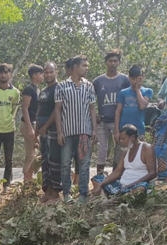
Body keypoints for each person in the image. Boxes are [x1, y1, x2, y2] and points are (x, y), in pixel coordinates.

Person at [54, 55, 98, 202]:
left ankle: (83, 195)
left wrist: (94, 129)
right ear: (75, 67)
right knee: (66, 164)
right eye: (84, 65)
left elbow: (92, 109)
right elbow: (58, 110)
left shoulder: (89, 86)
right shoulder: (61, 86)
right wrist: (59, 132)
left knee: (84, 165)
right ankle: (66, 194)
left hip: (84, 132)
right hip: (67, 132)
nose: (86, 68)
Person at [92, 50, 131, 175]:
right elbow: (90, 101)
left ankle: (118, 176)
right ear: (106, 63)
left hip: (118, 121)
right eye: (110, 61)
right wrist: (95, 115)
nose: (113, 64)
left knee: (120, 149)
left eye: (115, 61)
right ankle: (99, 177)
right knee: (102, 149)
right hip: (102, 120)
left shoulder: (125, 79)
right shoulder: (98, 81)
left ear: (119, 63)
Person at [92, 124, 157, 197]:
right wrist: (101, 184)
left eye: (123, 139)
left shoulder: (147, 148)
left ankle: (116, 200)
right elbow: (117, 172)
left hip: (137, 186)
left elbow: (152, 173)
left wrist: (133, 184)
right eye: (120, 139)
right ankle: (105, 199)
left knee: (141, 188)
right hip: (122, 186)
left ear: (132, 137)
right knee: (97, 179)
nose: (121, 141)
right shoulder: (125, 152)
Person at [0, 63, 21, 190]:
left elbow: (14, 110)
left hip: (9, 129)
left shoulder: (15, 92)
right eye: (1, 73)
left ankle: (6, 184)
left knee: (8, 158)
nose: (3, 75)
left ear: (10, 74)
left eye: (6, 72)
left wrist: (8, 119)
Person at [36, 61, 63, 202]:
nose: (48, 75)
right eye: (46, 72)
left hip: (52, 129)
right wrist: (37, 131)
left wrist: (46, 126)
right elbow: (40, 111)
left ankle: (56, 192)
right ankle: (47, 190)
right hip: (42, 131)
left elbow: (56, 111)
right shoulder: (43, 91)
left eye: (51, 72)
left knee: (54, 161)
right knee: (45, 161)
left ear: (56, 72)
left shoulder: (59, 88)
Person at [21, 64, 45, 183]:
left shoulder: (37, 89)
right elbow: (25, 108)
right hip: (28, 124)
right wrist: (30, 128)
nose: (43, 76)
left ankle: (30, 178)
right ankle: (27, 180)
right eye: (41, 73)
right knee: (30, 154)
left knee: (37, 152)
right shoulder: (29, 89)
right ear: (34, 75)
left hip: (36, 124)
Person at [116, 65, 154, 139]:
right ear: (129, 78)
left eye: (138, 79)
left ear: (143, 77)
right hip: (123, 130)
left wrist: (138, 90)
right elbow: (118, 112)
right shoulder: (123, 92)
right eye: (133, 79)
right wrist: (116, 131)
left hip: (139, 130)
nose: (135, 81)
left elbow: (142, 106)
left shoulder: (147, 91)